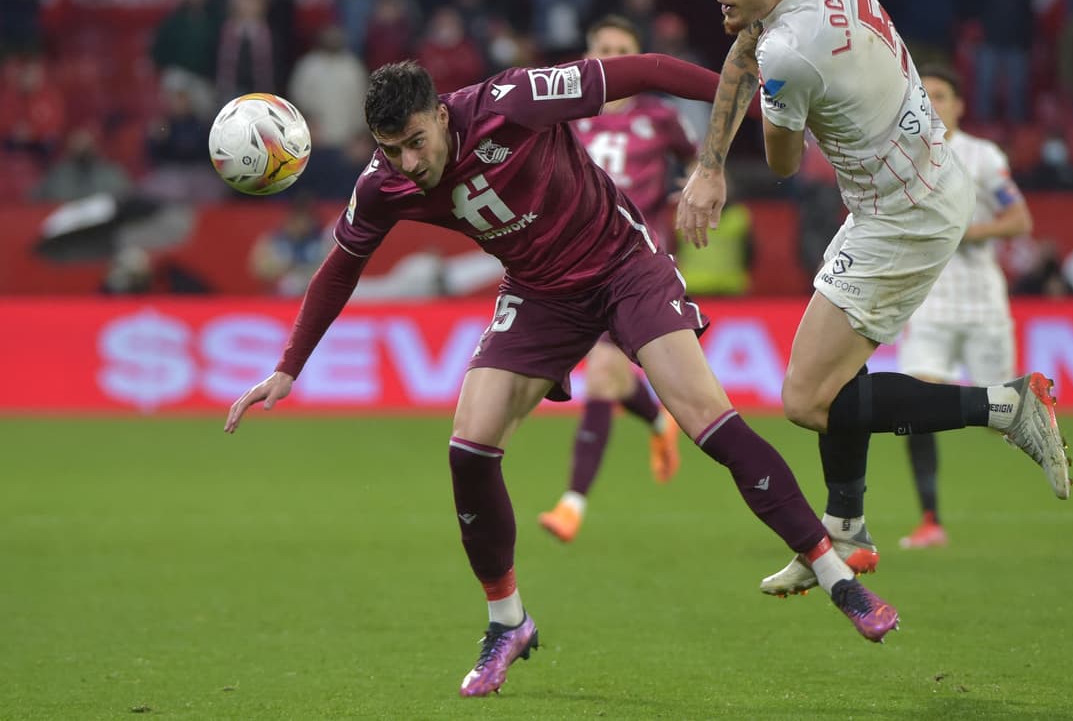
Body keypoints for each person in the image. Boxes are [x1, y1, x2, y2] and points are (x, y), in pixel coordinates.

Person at [224, 52, 901, 699]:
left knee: (708, 421)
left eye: (415, 143)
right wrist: (288, 366)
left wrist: (762, 110)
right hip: (540, 294)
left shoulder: (512, 102)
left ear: (440, 114)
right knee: (468, 446)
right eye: (390, 148)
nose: (407, 162)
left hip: (623, 268)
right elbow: (341, 266)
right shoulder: (382, 184)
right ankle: (508, 622)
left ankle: (837, 577)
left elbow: (648, 71)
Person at [676, 0, 1070, 601]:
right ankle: (846, 528)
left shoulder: (792, 54)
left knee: (806, 398)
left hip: (903, 217)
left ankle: (1008, 406)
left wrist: (758, 123)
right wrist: (709, 166)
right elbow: (749, 43)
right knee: (839, 377)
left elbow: (784, 162)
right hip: (909, 188)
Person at [536, 15, 692, 544]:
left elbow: (702, 162)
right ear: (586, 55)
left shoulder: (661, 118)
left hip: (634, 267)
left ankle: (571, 504)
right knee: (614, 378)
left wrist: (696, 188)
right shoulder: (561, 114)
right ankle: (658, 422)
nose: (611, 56)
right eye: (603, 47)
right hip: (572, 265)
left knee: (603, 375)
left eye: (623, 48)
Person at [896, 66, 1034, 549]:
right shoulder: (900, 154)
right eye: (925, 95)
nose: (932, 103)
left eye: (941, 95)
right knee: (914, 404)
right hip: (928, 299)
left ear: (958, 105)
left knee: (1006, 417)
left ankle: (1036, 422)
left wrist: (969, 233)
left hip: (981, 302)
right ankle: (930, 519)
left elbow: (1019, 220)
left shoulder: (983, 156)